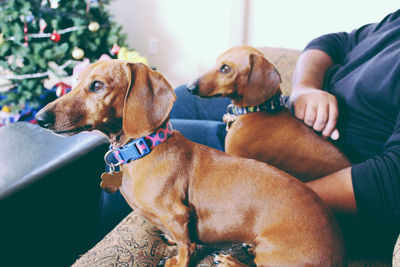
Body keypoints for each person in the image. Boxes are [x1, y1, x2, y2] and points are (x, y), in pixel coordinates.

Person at [100, 9, 400, 258]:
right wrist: (306, 86)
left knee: (132, 157)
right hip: (271, 116)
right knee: (170, 102)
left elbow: (390, 179)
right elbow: (333, 42)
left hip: (311, 167)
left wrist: (258, 203)